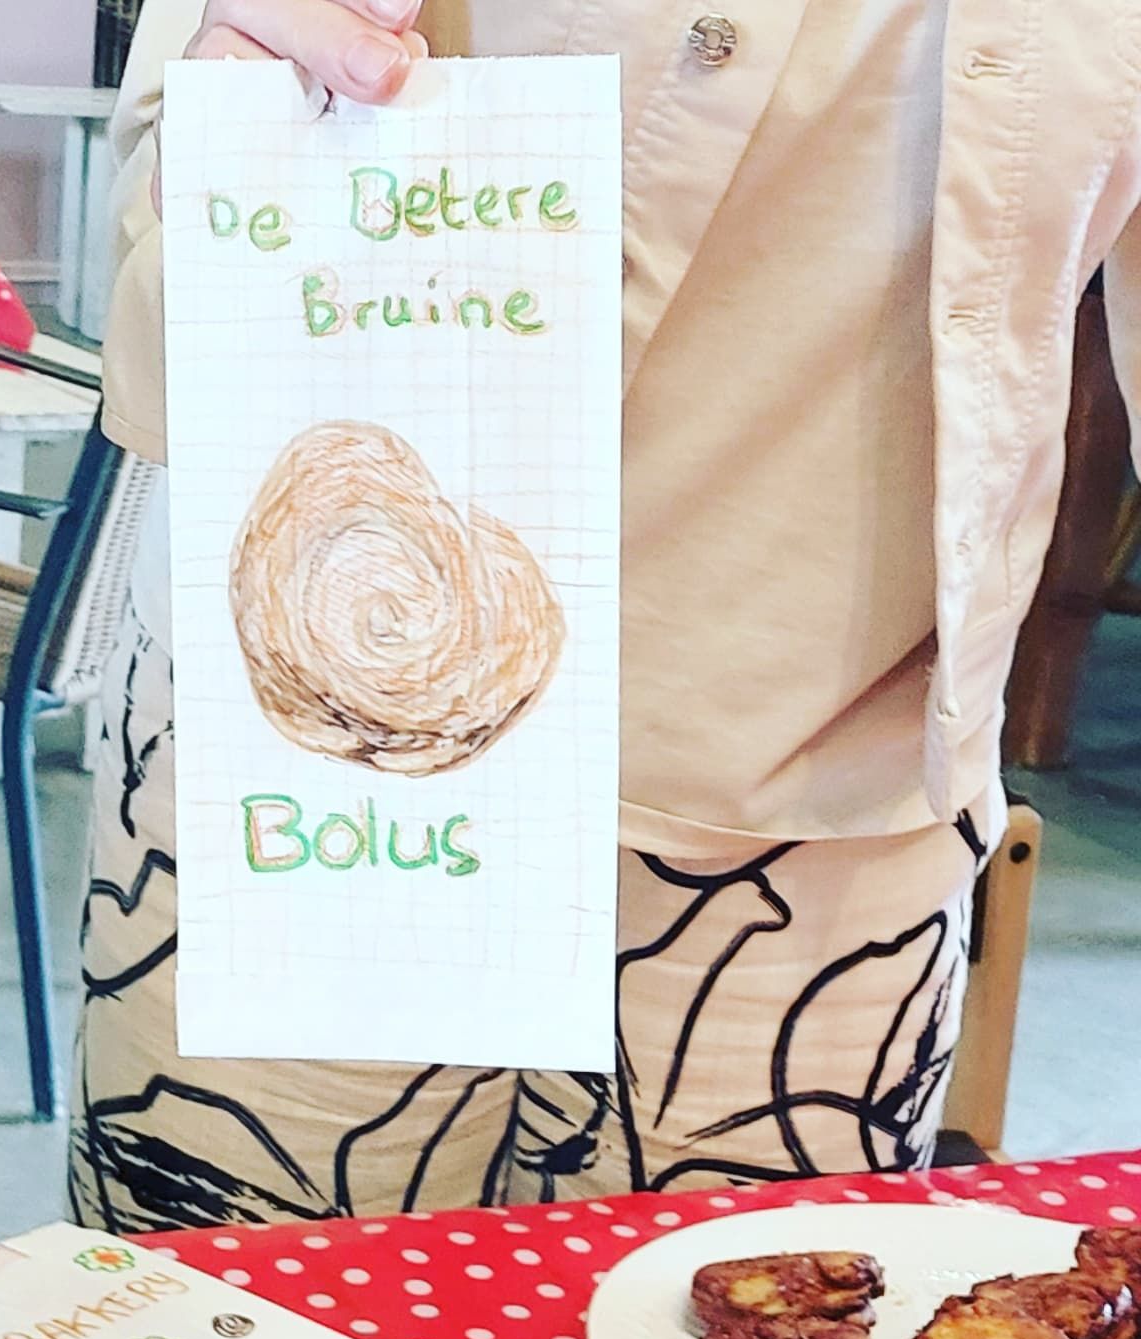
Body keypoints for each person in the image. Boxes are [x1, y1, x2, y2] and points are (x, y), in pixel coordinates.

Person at [68, 0, 1141, 1231]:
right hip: (314, 762)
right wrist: (229, 135)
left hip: (829, 818)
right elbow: (160, 244)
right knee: (234, 1332)